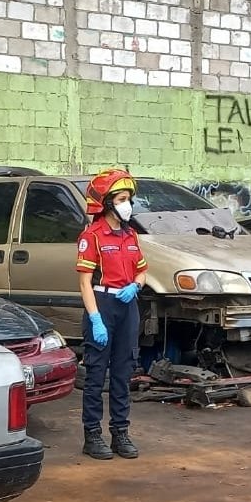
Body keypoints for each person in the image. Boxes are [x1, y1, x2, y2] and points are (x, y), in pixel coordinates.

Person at [76, 167, 148, 460]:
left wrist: (136, 286)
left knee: (122, 374)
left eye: (128, 198)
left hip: (127, 306)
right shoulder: (92, 236)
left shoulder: (131, 235)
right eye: (120, 198)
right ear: (106, 203)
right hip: (102, 306)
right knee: (96, 375)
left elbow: (142, 271)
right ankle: (92, 435)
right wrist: (95, 319)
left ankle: (120, 433)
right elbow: (84, 282)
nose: (126, 204)